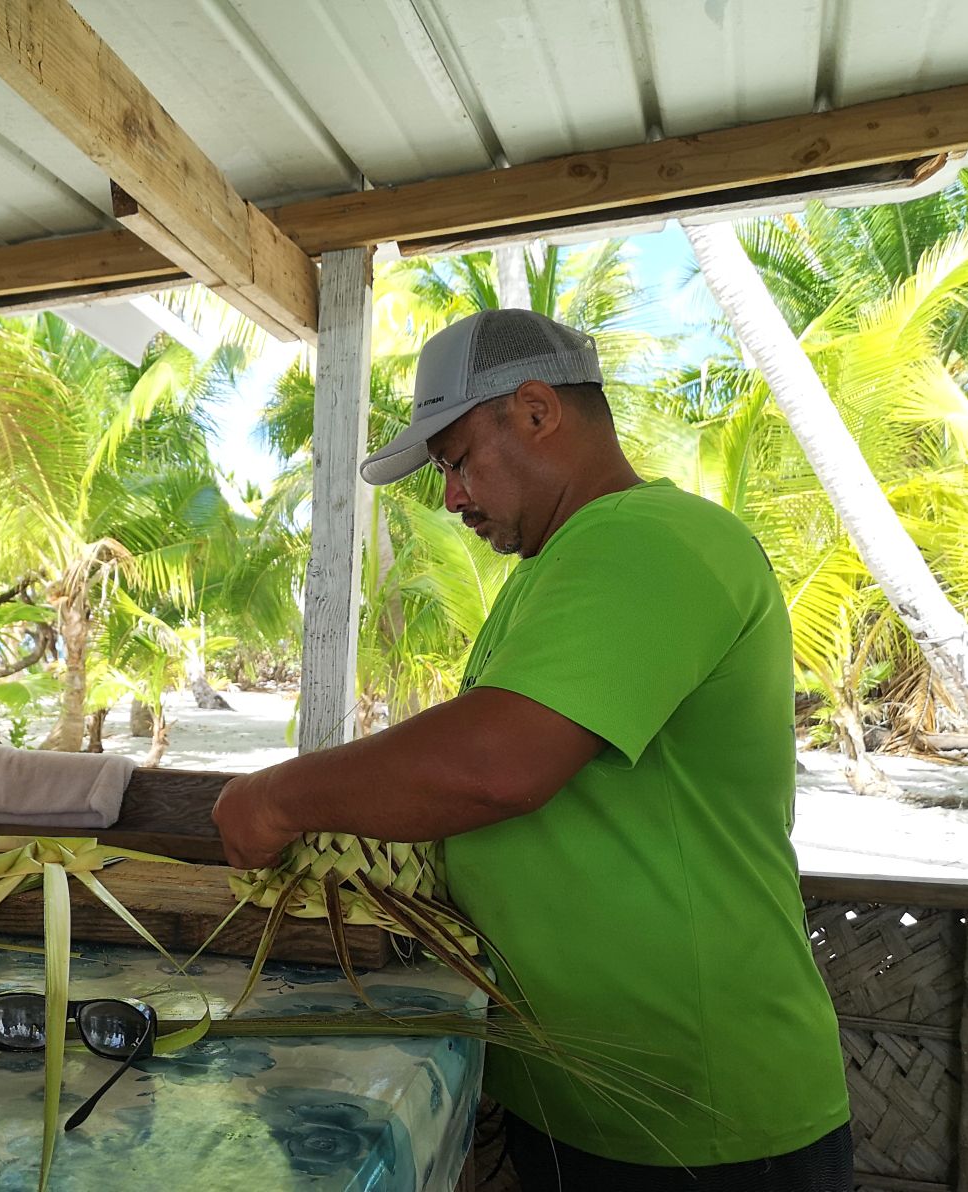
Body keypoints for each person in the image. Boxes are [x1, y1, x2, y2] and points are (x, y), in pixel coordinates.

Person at [211, 310, 851, 1190]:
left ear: (537, 410)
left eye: (458, 460)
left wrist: (277, 799)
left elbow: (494, 765)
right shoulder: (557, 573)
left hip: (704, 1118)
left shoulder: (647, 538)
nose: (452, 498)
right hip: (585, 1098)